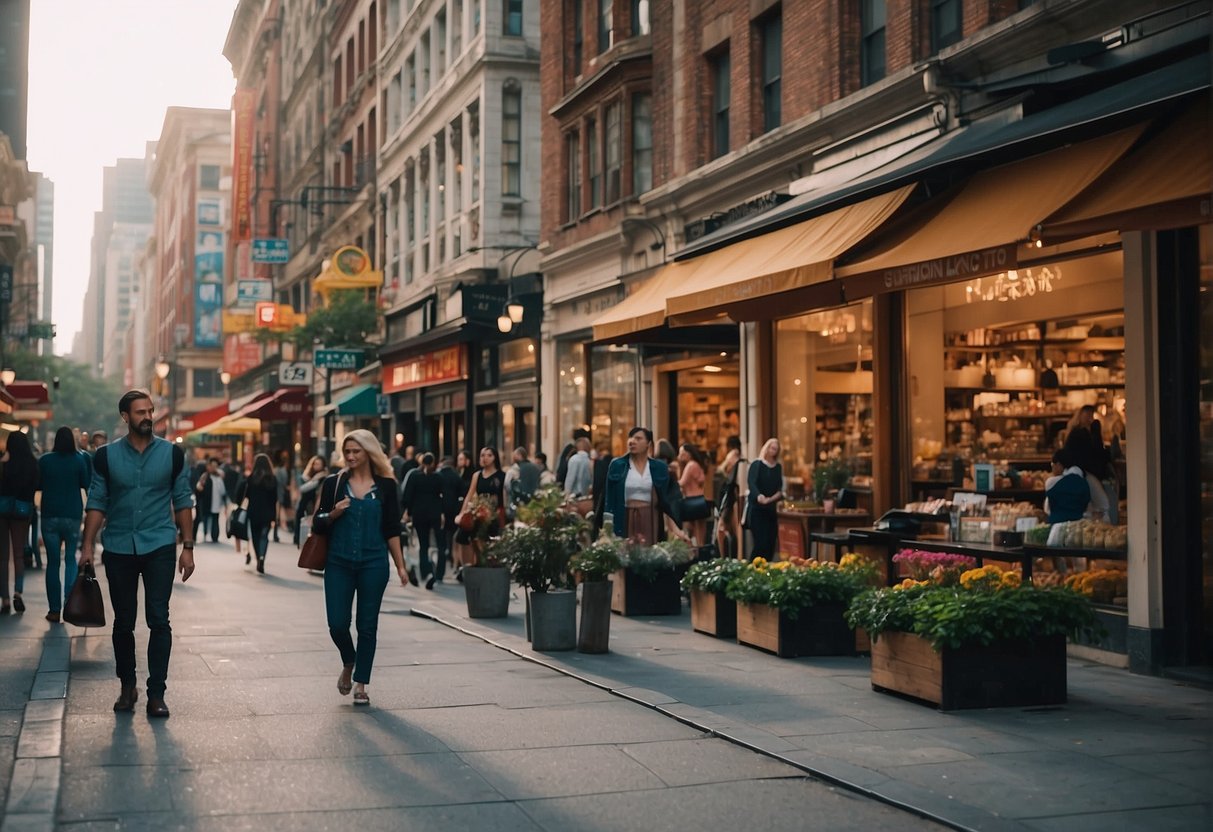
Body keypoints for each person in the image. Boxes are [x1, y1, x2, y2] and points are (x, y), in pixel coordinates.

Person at [79, 390, 195, 718]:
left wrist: (187, 547)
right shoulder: (105, 457)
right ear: (125, 417)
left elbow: (184, 500)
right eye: (140, 412)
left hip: (159, 544)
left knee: (159, 619)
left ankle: (156, 693)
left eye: (150, 411)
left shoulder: (172, 454)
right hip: (118, 546)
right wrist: (88, 546)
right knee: (123, 622)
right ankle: (127, 686)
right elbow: (98, 502)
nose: (148, 417)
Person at [312, 429, 407, 707]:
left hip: (374, 563)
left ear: (369, 452)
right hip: (339, 562)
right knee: (337, 624)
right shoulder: (334, 483)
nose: (351, 456)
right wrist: (333, 513)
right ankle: (348, 660)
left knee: (367, 625)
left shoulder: (387, 486)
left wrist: (400, 566)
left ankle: (361, 683)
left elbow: (392, 529)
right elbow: (317, 522)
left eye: (357, 451)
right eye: (348, 452)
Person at [37, 427, 91, 622]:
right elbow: (87, 483)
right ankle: (70, 604)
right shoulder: (79, 459)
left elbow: (38, 484)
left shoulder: (44, 460)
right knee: (70, 559)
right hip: (72, 515)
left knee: (52, 563)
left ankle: (54, 610)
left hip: (50, 515)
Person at [604, 427, 679, 544]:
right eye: (631, 438)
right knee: (626, 554)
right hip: (625, 516)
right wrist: (607, 526)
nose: (632, 441)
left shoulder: (659, 468)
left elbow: (666, 500)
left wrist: (675, 527)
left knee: (649, 554)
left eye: (638, 438)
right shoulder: (617, 465)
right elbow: (609, 498)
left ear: (648, 444)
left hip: (649, 517)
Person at [0, 431, 40, 614]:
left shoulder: (3, 463)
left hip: (3, 511)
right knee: (18, 554)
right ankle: (18, 592)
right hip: (23, 512)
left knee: (2, 556)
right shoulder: (32, 463)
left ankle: (5, 599)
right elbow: (36, 486)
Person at [455, 447, 505, 577]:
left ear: (495, 458)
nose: (485, 458)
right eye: (482, 455)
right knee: (463, 535)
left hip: (494, 514)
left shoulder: (501, 476)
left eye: (489, 455)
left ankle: (488, 569)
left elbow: (503, 499)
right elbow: (469, 495)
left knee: (490, 541)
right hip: (478, 512)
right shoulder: (477, 475)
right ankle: (466, 568)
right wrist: (462, 513)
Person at [403, 452, 446, 589]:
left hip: (419, 513)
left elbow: (407, 497)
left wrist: (408, 512)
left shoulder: (415, 477)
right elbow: (443, 496)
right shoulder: (438, 477)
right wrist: (442, 513)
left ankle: (425, 572)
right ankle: (439, 573)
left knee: (423, 545)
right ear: (434, 463)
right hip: (435, 513)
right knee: (440, 544)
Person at [236, 453, 278, 574]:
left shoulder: (251, 478)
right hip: (268, 512)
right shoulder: (272, 479)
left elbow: (246, 495)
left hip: (253, 512)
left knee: (255, 536)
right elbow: (274, 499)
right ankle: (262, 558)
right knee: (264, 536)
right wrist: (275, 516)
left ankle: (258, 555)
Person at [745, 438, 785, 559]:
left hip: (771, 510)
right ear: (766, 448)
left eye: (776, 449)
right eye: (772, 448)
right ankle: (753, 569)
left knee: (770, 543)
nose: (773, 451)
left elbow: (779, 487)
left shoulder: (778, 467)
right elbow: (751, 483)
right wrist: (759, 496)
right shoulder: (757, 464)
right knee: (760, 544)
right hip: (757, 509)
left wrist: (772, 498)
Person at [715, 436, 745, 559]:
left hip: (730, 497)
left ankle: (725, 557)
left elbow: (720, 470)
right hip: (731, 496)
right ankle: (735, 557)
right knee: (732, 530)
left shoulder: (733, 454)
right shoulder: (739, 459)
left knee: (722, 529)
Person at [1043, 446, 1091, 523]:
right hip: (1078, 525)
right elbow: (1086, 504)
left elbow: (1047, 509)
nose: (1052, 470)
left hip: (1056, 525)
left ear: (1058, 465)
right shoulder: (1084, 483)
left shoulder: (1051, 482)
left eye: (1052, 466)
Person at [436, 456, 464, 582]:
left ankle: (440, 572)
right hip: (453, 511)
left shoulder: (438, 476)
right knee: (453, 538)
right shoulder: (456, 476)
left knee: (440, 541)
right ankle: (454, 562)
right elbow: (462, 493)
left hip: (440, 511)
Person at [678, 442, 709, 546]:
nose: (680, 456)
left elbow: (682, 482)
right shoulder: (696, 465)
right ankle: (701, 551)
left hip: (691, 501)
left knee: (692, 530)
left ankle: (696, 552)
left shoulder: (690, 465)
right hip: (699, 499)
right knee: (700, 530)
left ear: (689, 454)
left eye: (682, 453)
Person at [294, 455, 327, 545]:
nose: (316, 466)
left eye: (318, 464)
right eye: (314, 464)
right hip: (304, 504)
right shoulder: (308, 476)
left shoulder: (323, 477)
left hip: (314, 504)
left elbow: (303, 489)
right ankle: (298, 538)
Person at [193, 458, 225, 543]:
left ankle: (214, 537)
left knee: (215, 519)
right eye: (212, 466)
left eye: (215, 466)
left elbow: (222, 491)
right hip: (205, 502)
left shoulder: (218, 477)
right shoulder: (204, 476)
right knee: (205, 518)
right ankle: (205, 534)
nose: (214, 468)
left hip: (216, 502)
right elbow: (198, 487)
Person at [504, 446, 540, 516]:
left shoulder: (513, 470)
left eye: (515, 455)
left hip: (518, 502)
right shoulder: (535, 467)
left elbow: (507, 485)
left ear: (520, 455)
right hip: (533, 501)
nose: (513, 457)